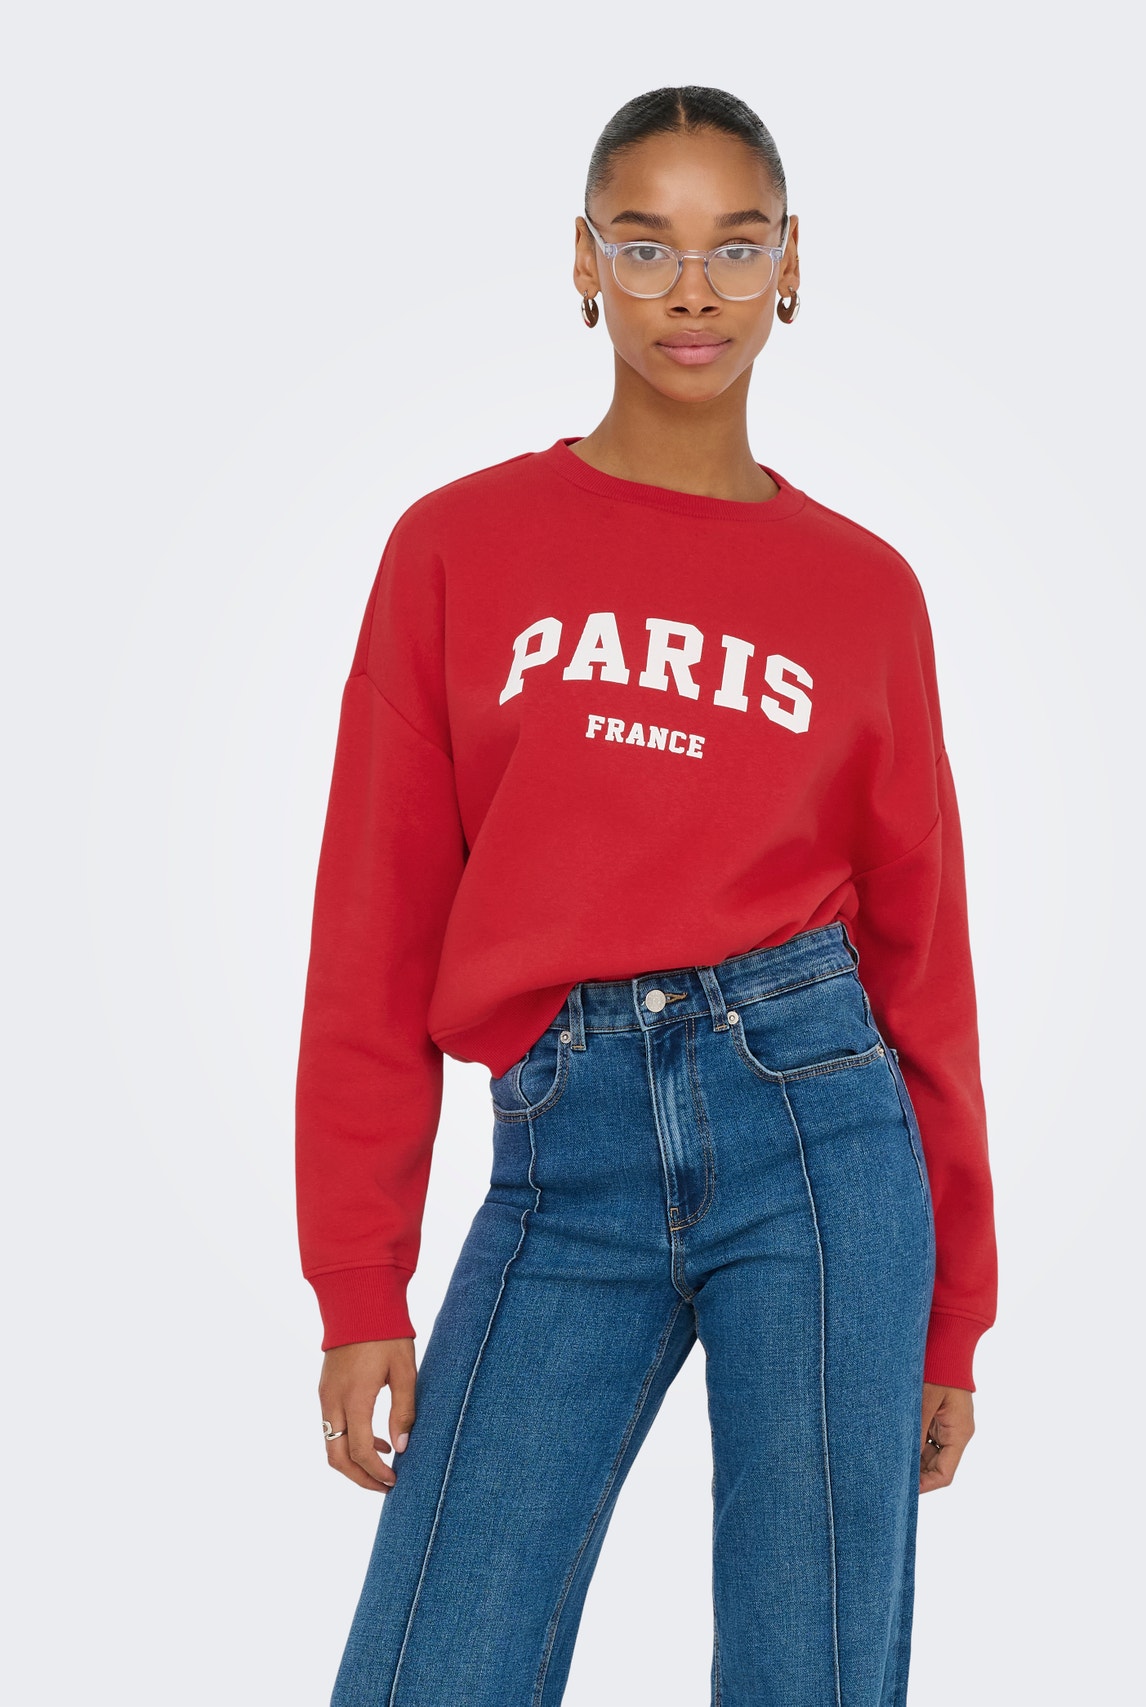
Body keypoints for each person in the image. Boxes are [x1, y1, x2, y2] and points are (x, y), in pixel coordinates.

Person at [295, 84, 997, 1707]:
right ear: (584, 263)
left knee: (809, 1671)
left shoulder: (866, 592)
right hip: (565, 1155)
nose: (694, 289)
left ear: (791, 265)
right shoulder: (456, 547)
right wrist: (357, 1279)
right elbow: (371, 928)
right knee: (433, 1667)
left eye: (736, 246)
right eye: (647, 244)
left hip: (816, 1130)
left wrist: (955, 1308)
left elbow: (925, 955)